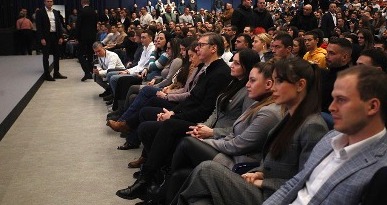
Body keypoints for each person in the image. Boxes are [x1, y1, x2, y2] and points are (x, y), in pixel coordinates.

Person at [172, 58, 328, 204]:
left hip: (274, 196)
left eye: (279, 81)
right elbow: (271, 160)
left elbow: (306, 181)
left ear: (300, 85)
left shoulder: (312, 125)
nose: (273, 87)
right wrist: (259, 172)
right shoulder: (289, 115)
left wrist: (262, 181)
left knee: (207, 169)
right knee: (198, 198)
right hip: (259, 182)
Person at [115, 33, 237, 200]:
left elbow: (205, 110)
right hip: (189, 114)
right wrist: (173, 112)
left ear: (213, 48)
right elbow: (192, 99)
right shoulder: (208, 69)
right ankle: (156, 176)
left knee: (166, 125)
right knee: (146, 126)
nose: (197, 48)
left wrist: (173, 117)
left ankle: (146, 180)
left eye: (201, 45)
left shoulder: (220, 73)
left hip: (201, 121)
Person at [264, 66, 387, 204]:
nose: (331, 107)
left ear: (372, 107)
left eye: (341, 100)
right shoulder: (330, 138)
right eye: (333, 99)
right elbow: (295, 183)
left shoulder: (381, 169)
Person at [167, 60, 283, 203]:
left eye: (252, 81)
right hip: (229, 150)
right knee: (180, 174)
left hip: (239, 163)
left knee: (187, 142)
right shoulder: (257, 102)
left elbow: (238, 144)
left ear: (269, 84)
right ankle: (162, 189)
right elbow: (231, 130)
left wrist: (208, 140)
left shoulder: (268, 113)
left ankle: (159, 187)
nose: (247, 85)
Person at [35, 0, 67, 81]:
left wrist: (60, 36)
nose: (50, 3)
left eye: (51, 1)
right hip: (46, 36)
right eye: (48, 1)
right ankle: (47, 74)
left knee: (57, 55)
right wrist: (41, 38)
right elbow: (39, 27)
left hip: (55, 36)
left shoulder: (56, 12)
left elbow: (58, 25)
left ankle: (56, 73)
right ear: (44, 2)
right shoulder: (40, 12)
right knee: (46, 56)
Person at [76, 0, 98, 81]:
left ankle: (87, 72)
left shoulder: (81, 11)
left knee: (80, 54)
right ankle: (91, 71)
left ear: (82, 2)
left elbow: (78, 25)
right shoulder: (93, 11)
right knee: (90, 54)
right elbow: (95, 25)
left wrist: (77, 37)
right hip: (92, 36)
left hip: (83, 37)